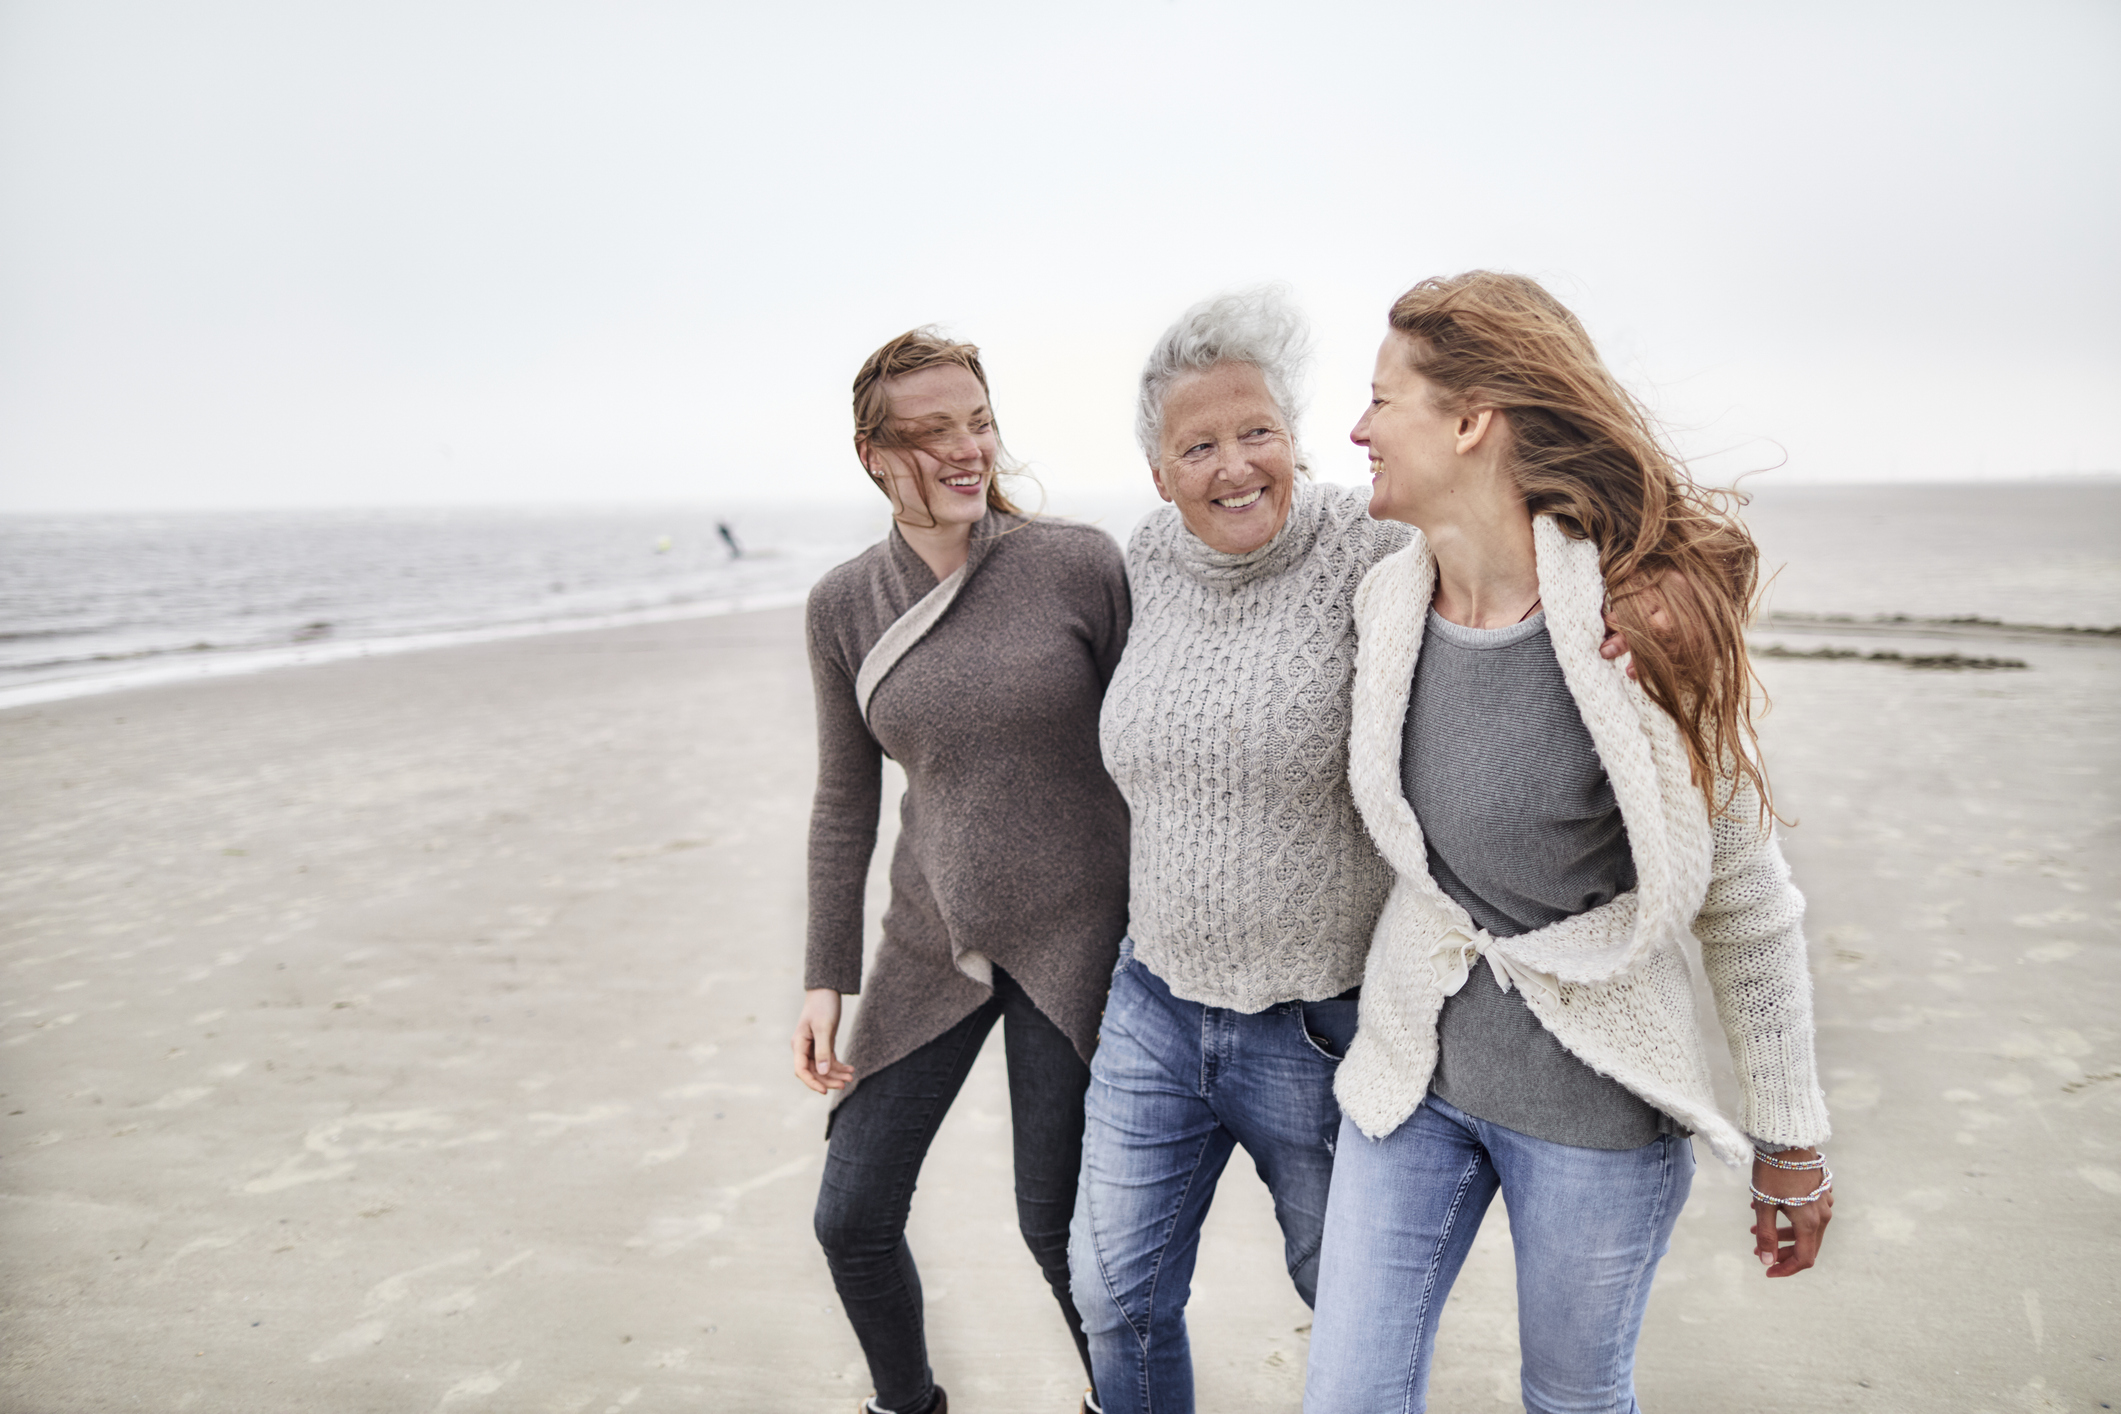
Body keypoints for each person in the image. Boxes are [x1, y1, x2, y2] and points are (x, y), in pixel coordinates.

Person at [1304, 271, 1835, 1413]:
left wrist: (1791, 1139)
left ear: (1469, 420)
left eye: (1381, 398)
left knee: (1573, 1401)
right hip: (1411, 1075)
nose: (1353, 428)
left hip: (1597, 1106)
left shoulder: (1637, 628)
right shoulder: (1385, 602)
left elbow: (1744, 900)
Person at [792, 327, 1130, 1414]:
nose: (965, 450)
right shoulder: (844, 605)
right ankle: (909, 1405)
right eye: (931, 433)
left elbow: (1157, 744)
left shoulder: (1076, 564)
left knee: (1058, 1227)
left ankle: (1119, 1401)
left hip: (1078, 939)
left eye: (977, 423)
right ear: (871, 455)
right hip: (931, 933)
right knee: (852, 1214)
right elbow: (847, 798)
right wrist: (822, 977)